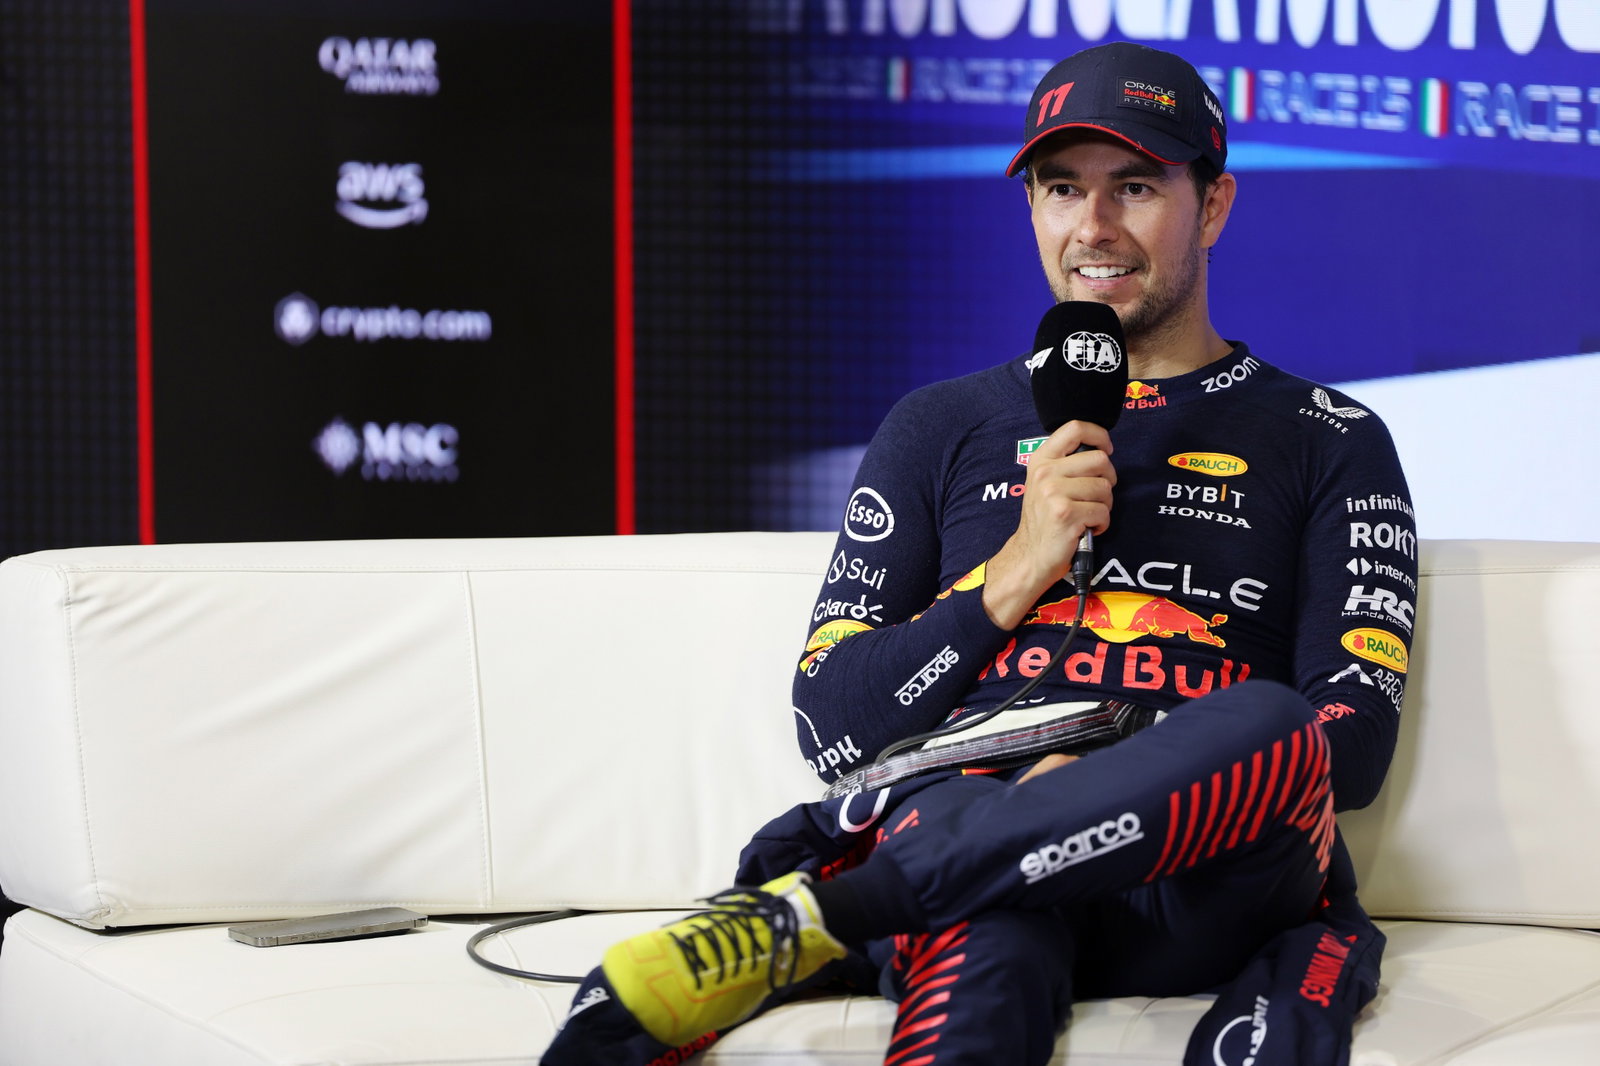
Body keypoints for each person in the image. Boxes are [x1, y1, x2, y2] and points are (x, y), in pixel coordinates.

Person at [542, 40, 1415, 1066]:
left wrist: (1094, 773)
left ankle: (821, 919)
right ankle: (942, 876)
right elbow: (831, 726)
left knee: (1274, 723)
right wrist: (1020, 566)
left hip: (1201, 870)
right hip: (967, 833)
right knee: (983, 920)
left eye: (1134, 186)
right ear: (1032, 208)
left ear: (1212, 204)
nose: (1093, 228)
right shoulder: (938, 423)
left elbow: (1347, 745)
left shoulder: (1329, 433)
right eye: (1060, 190)